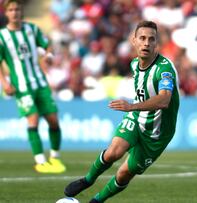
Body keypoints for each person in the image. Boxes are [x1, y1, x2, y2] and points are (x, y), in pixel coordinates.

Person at [63, 20, 180, 203]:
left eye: (151, 39)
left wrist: (131, 106)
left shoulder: (164, 69)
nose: (146, 43)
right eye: (142, 38)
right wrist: (134, 109)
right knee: (113, 152)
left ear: (156, 43)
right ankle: (87, 180)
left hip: (158, 132)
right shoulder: (134, 64)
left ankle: (97, 201)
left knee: (125, 172)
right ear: (134, 41)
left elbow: (164, 100)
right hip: (137, 117)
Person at [0, 0, 66, 173]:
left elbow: (47, 45)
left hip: (40, 82)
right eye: (11, 10)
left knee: (53, 120)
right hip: (21, 87)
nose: (15, 12)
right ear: (6, 13)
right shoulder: (2, 37)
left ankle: (55, 158)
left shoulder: (32, 29)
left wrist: (49, 55)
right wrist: (4, 82)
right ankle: (40, 161)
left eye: (17, 9)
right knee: (33, 119)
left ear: (21, 11)